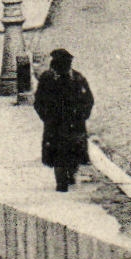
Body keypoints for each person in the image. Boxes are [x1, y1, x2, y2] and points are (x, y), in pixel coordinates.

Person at [34, 48, 94, 192]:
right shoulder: (48, 79)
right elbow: (39, 102)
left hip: (73, 122)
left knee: (73, 152)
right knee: (58, 154)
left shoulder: (77, 79)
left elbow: (88, 100)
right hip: (56, 123)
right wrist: (46, 116)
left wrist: (82, 115)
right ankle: (61, 182)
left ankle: (71, 174)